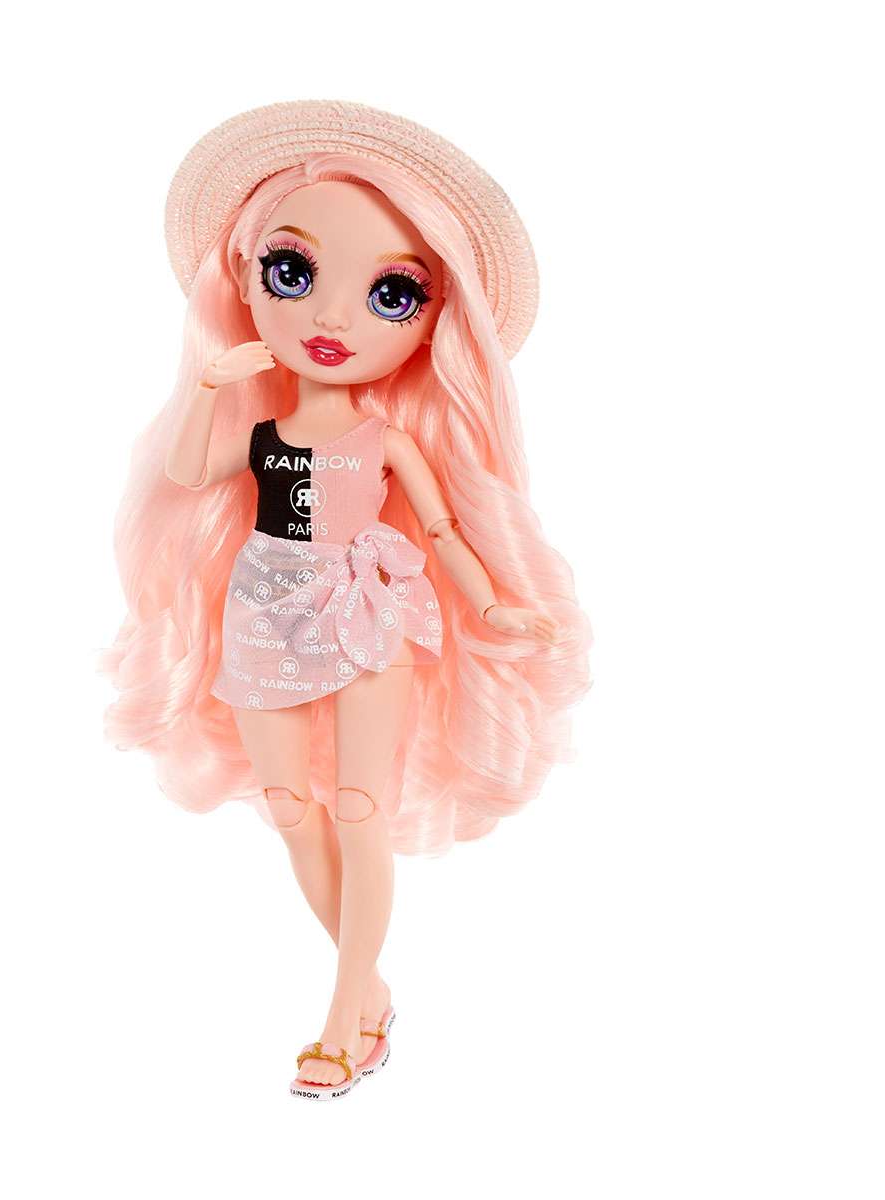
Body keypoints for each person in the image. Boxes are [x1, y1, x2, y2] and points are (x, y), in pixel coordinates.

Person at [101, 100, 592, 1099]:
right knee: (294, 809)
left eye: (392, 294)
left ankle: (342, 1018)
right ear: (246, 280)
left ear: (435, 323)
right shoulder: (260, 437)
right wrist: (210, 383)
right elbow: (190, 471)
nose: (332, 320)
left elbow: (444, 532)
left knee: (360, 810)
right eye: (294, 272)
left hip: (367, 611)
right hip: (262, 609)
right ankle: (369, 992)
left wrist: (492, 605)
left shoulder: (388, 442)